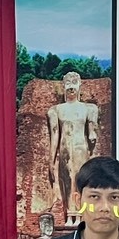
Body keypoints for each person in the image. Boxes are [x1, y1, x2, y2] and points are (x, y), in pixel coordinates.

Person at [49, 71, 99, 221]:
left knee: (80, 179)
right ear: (63, 86)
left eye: (74, 83)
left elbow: (91, 132)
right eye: (68, 84)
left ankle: (81, 215)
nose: (71, 88)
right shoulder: (56, 110)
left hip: (80, 148)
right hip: (65, 149)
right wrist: (51, 161)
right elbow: (55, 136)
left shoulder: (88, 108)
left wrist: (92, 133)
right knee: (67, 181)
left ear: (79, 86)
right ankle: (70, 214)